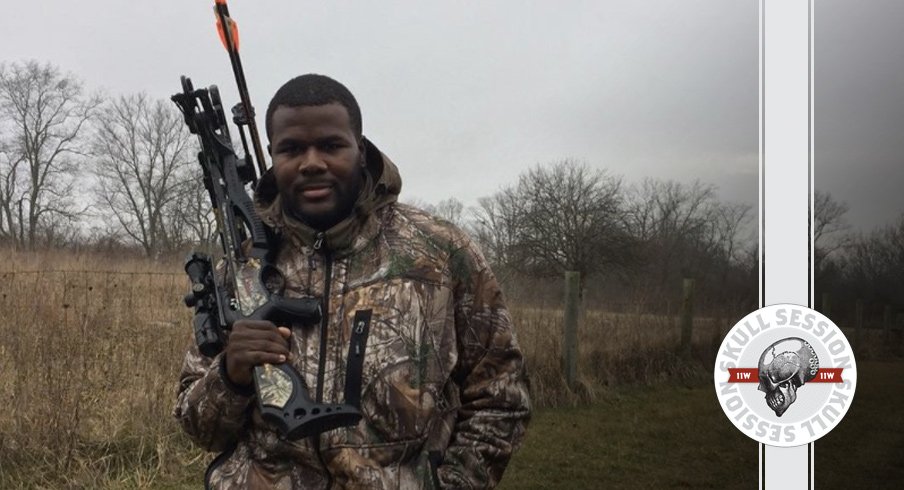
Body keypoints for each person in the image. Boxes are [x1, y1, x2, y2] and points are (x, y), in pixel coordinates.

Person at [174, 73, 531, 489]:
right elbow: (199, 428)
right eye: (291, 149)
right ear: (272, 157)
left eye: (330, 145)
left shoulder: (440, 252)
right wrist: (231, 374)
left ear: (359, 150)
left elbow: (501, 396)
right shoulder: (242, 272)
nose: (311, 163)